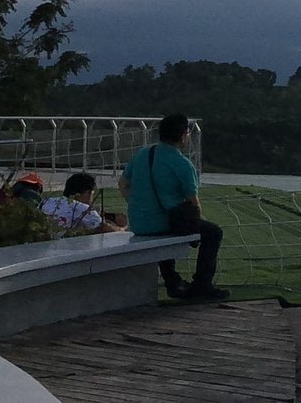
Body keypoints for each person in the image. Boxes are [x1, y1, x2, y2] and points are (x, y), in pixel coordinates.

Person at [119, 114, 228, 301]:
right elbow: (193, 202)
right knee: (213, 232)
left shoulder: (143, 154)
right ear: (183, 135)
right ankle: (202, 284)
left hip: (139, 222)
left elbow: (122, 184)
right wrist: (195, 224)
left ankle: (173, 281)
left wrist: (138, 205)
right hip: (164, 222)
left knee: (167, 226)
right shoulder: (182, 164)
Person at [41, 172, 127, 235]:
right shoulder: (84, 209)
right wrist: (123, 228)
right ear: (87, 193)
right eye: (92, 194)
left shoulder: (47, 201)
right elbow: (105, 228)